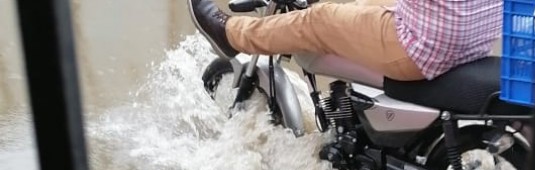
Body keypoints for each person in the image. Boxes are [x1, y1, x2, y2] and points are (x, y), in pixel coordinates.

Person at [188, 0, 503, 82]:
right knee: (360, 9)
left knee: (319, 19)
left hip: (423, 47)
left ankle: (231, 34)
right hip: (473, 38)